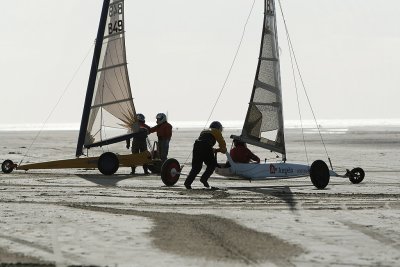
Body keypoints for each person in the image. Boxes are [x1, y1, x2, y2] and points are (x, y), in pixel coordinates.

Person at [184, 121, 227, 189]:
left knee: (196, 167)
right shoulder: (216, 131)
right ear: (218, 128)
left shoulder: (204, 131)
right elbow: (223, 148)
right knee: (212, 165)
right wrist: (219, 150)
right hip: (206, 146)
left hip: (197, 145)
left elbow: (203, 141)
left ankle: (187, 183)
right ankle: (204, 179)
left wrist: (213, 149)